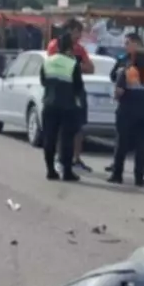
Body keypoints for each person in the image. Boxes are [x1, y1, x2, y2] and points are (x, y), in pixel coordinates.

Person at [108, 36, 144, 187]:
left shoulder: (126, 72)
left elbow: (119, 92)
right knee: (142, 145)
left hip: (127, 111)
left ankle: (117, 175)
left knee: (122, 143)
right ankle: (139, 178)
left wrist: (116, 96)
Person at [46, 20, 95, 172]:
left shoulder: (79, 49)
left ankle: (76, 159)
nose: (79, 36)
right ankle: (59, 159)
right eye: (76, 32)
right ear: (68, 31)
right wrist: (74, 65)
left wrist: (75, 66)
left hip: (77, 91)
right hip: (60, 92)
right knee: (60, 127)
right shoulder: (55, 45)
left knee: (78, 126)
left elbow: (90, 68)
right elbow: (54, 65)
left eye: (80, 32)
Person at [39, 33, 87, 182]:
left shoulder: (47, 61)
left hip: (49, 104)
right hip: (68, 106)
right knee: (67, 139)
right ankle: (67, 172)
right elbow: (78, 86)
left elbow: (43, 81)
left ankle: (50, 171)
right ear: (70, 48)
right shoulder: (72, 63)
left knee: (49, 138)